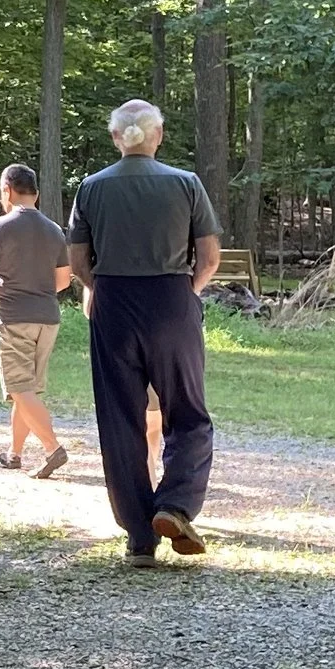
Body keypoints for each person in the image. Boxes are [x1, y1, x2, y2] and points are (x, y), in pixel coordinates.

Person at [67, 98, 222, 566]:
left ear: (116, 137)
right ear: (158, 135)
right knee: (188, 412)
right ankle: (175, 504)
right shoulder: (186, 183)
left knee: (120, 418)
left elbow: (78, 263)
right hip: (172, 300)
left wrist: (102, 289)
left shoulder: (91, 188)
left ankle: (139, 537)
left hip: (113, 302)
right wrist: (186, 292)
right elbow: (209, 258)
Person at [0, 161, 72, 476]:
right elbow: (63, 281)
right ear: (36, 194)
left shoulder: (0, 227)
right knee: (27, 389)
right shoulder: (54, 230)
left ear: (7, 190)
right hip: (48, 319)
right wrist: (38, 290)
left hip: (14, 317)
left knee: (20, 388)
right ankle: (14, 453)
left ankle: (52, 448)